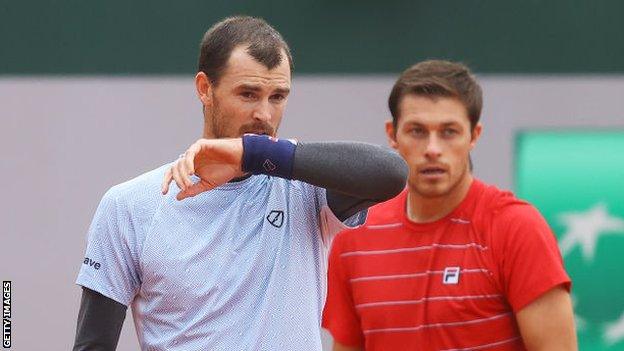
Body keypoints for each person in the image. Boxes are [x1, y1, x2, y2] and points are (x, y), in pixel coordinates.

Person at [72, 16, 408, 351]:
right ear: (205, 88)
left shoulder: (306, 190)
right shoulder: (129, 205)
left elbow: (391, 173)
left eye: (277, 97)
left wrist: (252, 153)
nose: (264, 113)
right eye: (248, 94)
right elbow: (92, 345)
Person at [322, 60, 577, 351]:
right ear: (393, 134)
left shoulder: (517, 227)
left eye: (449, 132)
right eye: (417, 131)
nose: (432, 149)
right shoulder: (354, 236)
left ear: (474, 136)